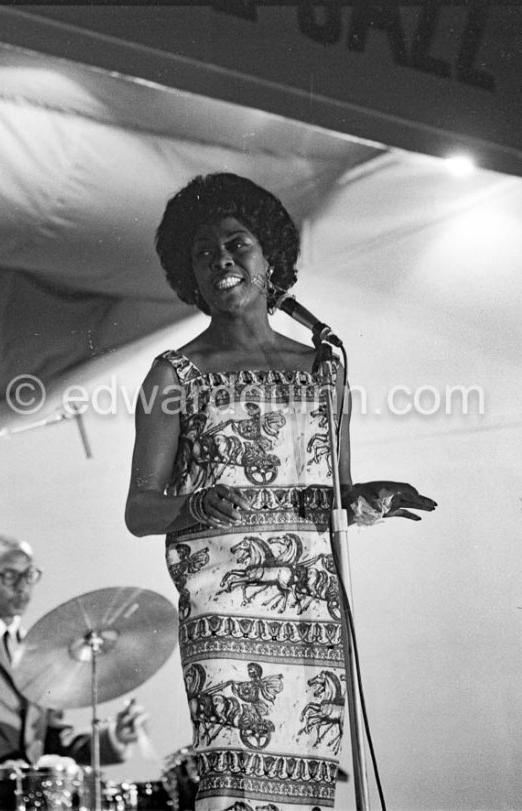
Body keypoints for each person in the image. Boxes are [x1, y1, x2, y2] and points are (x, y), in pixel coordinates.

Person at [125, 172, 437, 810]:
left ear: (271, 259)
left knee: (307, 789)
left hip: (310, 607)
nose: (221, 259)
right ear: (192, 277)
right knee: (237, 789)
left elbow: (333, 496)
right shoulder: (174, 375)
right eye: (203, 253)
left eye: (237, 243)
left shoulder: (325, 368)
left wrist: (367, 498)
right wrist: (193, 505)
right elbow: (139, 509)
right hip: (225, 609)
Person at [0, 533, 146, 770]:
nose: (22, 587)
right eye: (10, 576)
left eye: (29, 575)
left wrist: (115, 735)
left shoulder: (36, 650)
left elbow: (53, 741)